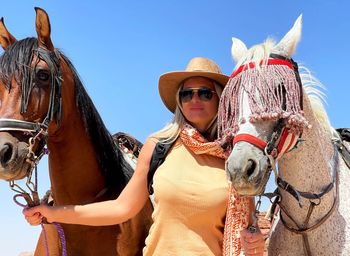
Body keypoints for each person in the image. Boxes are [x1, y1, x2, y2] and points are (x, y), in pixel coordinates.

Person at [23, 57, 265, 255]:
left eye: (204, 93)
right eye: (186, 94)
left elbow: (245, 234)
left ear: (220, 98)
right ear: (179, 101)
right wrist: (53, 213)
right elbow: (121, 208)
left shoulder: (235, 161)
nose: (194, 99)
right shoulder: (160, 145)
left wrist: (255, 244)